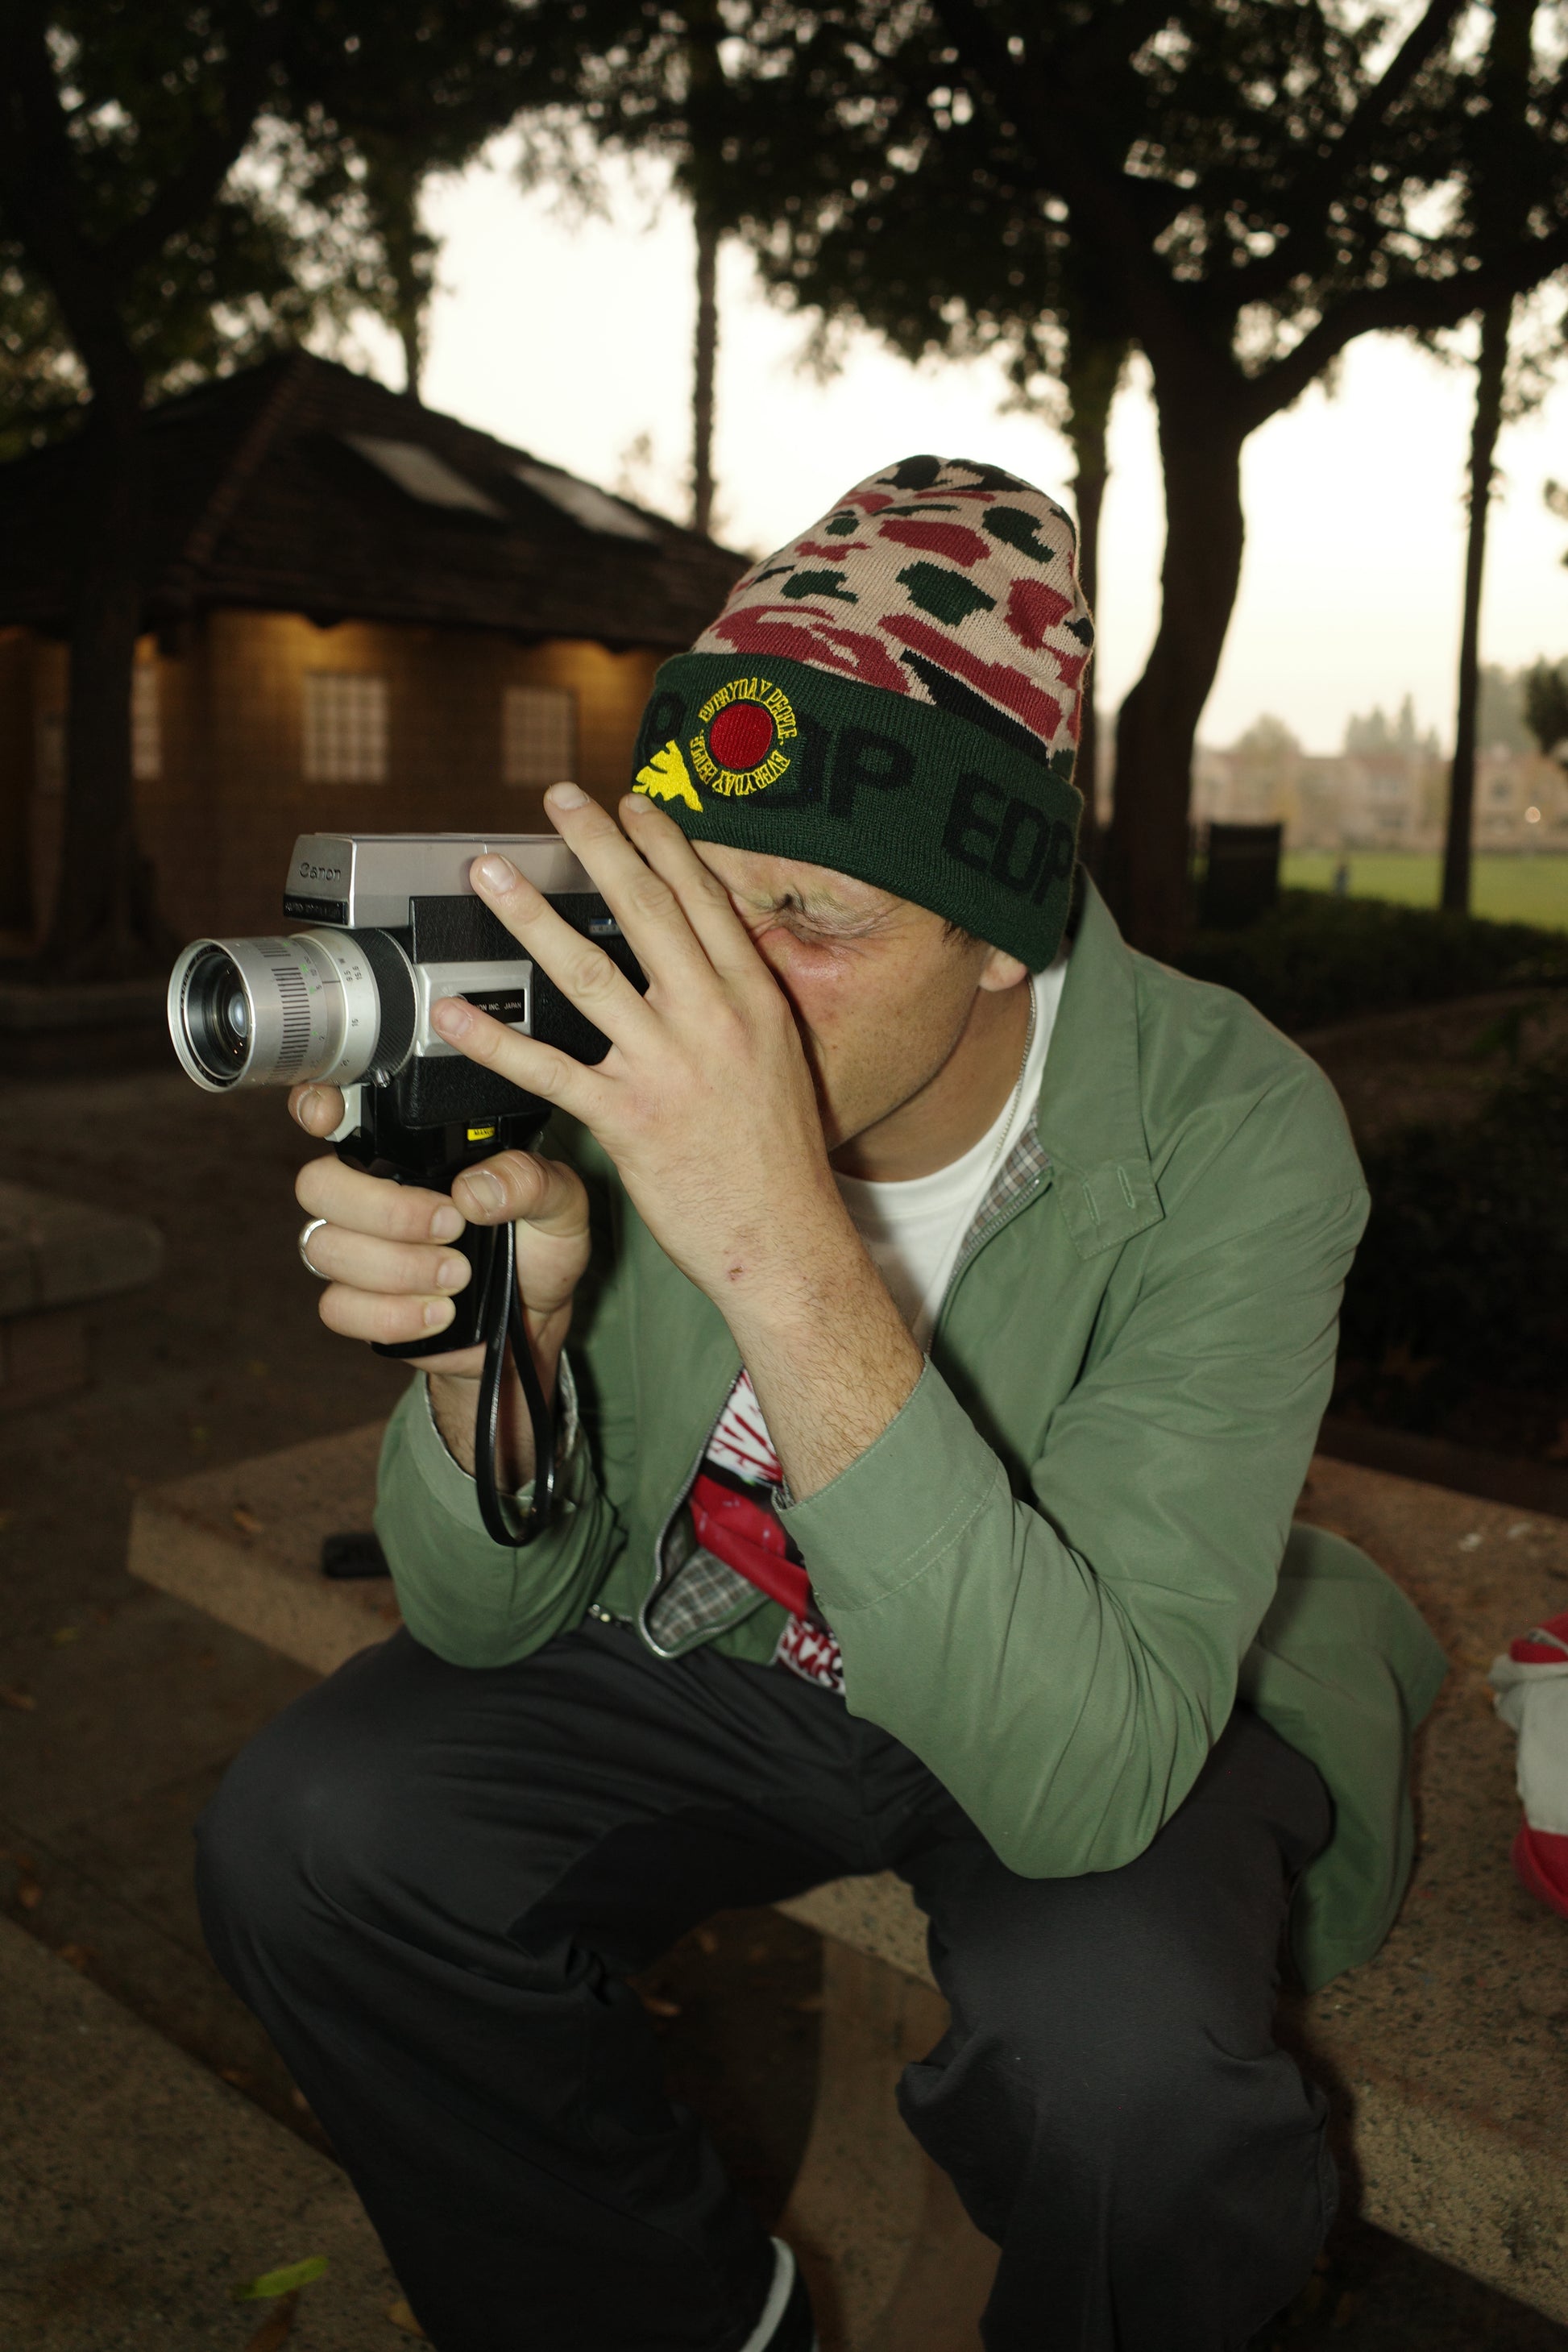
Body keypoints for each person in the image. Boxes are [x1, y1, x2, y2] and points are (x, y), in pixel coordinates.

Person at [196, 457, 1447, 2352]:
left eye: (817, 920)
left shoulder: (1237, 1129)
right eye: (696, 896)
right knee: (315, 1827)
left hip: (1093, 1670)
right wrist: (481, 1376)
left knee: (1127, 2083)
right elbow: (480, 1617)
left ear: (1000, 932)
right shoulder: (631, 1023)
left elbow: (1083, 1774)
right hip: (737, 1646)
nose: (734, 998)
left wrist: (779, 1235)